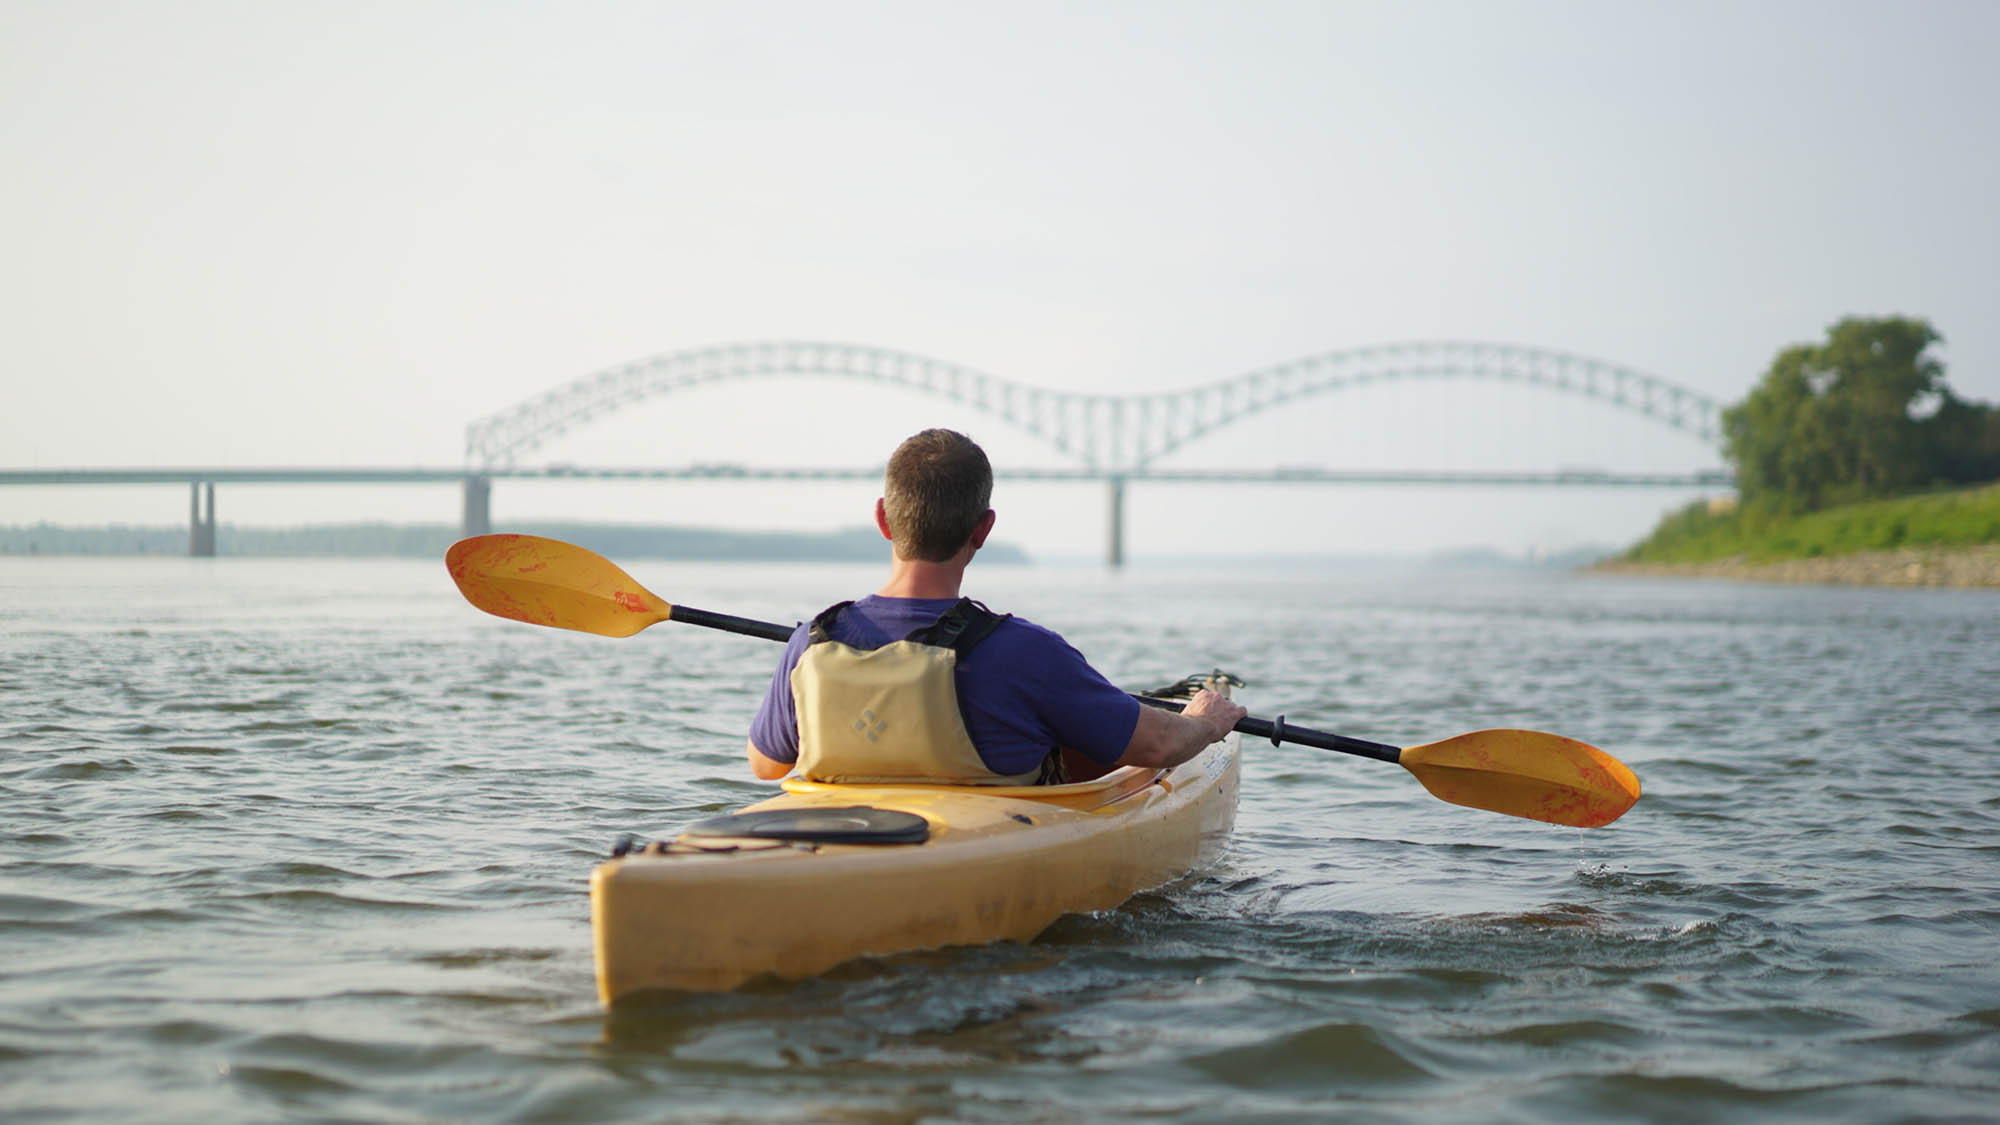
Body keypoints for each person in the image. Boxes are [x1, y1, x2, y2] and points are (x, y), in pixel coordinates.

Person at [746, 428, 1245, 784]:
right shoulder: (1026, 654)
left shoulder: (810, 643)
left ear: (883, 519)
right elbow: (1160, 747)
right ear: (983, 529)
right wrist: (1204, 722)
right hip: (981, 851)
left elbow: (767, 765)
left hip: (831, 844)